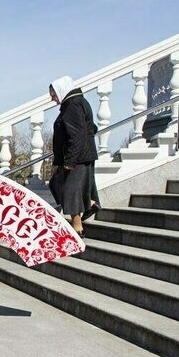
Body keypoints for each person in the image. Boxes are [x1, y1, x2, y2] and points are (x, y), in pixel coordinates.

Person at [48, 76, 99, 237]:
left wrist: (70, 161)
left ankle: (78, 229)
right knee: (58, 184)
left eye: (54, 95)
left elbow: (76, 135)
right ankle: (90, 204)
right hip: (83, 155)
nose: (53, 99)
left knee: (69, 190)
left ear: (62, 90)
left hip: (78, 158)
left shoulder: (72, 106)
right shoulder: (78, 103)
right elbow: (91, 128)